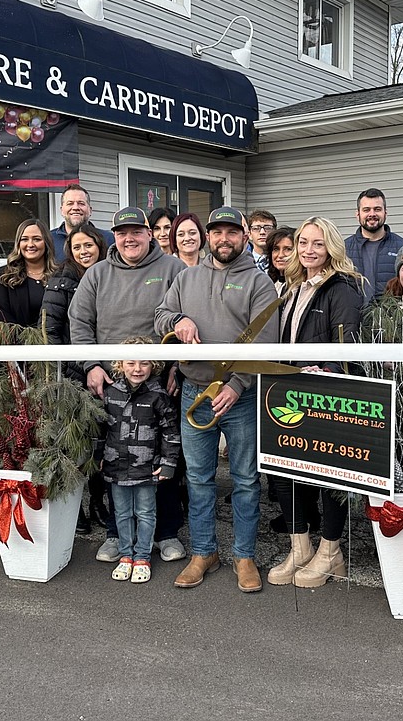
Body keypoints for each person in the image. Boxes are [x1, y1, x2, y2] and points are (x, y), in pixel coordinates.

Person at [155, 206, 279, 594]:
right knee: (198, 478)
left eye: (231, 232)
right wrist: (178, 322)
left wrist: (238, 384)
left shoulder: (259, 283)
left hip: (238, 397)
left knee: (244, 480)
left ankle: (244, 556)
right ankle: (204, 552)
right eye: (217, 232)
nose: (223, 239)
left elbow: (266, 341)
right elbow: (159, 314)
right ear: (208, 236)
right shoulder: (187, 277)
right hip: (194, 391)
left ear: (243, 236)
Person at [69, 206, 187, 563]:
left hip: (158, 386)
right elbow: (79, 324)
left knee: (164, 457)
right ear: (114, 238)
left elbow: (187, 320)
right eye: (122, 233)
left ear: (150, 234)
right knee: (115, 457)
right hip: (111, 384)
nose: (129, 239)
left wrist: (177, 368)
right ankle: (117, 535)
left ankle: (166, 533)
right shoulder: (97, 274)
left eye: (137, 231)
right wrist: (91, 365)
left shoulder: (173, 269)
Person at [266, 217, 364, 588]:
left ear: (331, 248)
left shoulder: (343, 288)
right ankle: (300, 547)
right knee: (286, 470)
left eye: (317, 244)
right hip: (288, 388)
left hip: (324, 393)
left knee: (329, 474)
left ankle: (330, 551)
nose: (308, 250)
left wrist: (326, 369)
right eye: (303, 242)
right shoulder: (291, 286)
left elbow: (347, 342)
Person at [40, 222, 109, 534]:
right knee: (74, 445)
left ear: (99, 246)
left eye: (89, 245)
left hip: (105, 371)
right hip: (73, 374)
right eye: (78, 246)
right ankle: (74, 507)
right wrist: (70, 367)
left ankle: (97, 501)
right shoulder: (62, 279)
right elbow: (50, 329)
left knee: (100, 444)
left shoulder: (109, 273)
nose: (84, 252)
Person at [95, 338, 181, 584]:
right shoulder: (110, 394)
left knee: (145, 512)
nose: (137, 369)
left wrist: (169, 463)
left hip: (147, 468)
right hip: (115, 466)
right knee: (121, 512)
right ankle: (126, 555)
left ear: (153, 365)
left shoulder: (159, 396)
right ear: (120, 364)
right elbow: (100, 429)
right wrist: (99, 456)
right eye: (130, 363)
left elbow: (171, 432)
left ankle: (142, 556)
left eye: (144, 363)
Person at [0, 219, 57, 327]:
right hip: (17, 341)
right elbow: (1, 316)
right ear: (18, 243)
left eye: (37, 239)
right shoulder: (3, 276)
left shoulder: (60, 276)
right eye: (24, 239)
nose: (30, 244)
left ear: (46, 242)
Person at [343, 188, 403, 305]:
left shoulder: (402, 246)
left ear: (385, 213)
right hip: (353, 319)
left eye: (377, 209)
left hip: (390, 319)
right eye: (366, 210)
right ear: (358, 214)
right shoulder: (344, 249)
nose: (372, 214)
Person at [51, 183, 115, 264]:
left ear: (90, 210)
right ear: (62, 210)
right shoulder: (49, 240)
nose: (75, 208)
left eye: (81, 203)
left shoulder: (108, 239)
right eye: (70, 203)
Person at [264, 226, 295, 296]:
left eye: (288, 249)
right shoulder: (268, 283)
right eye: (276, 249)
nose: (280, 255)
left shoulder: (302, 287)